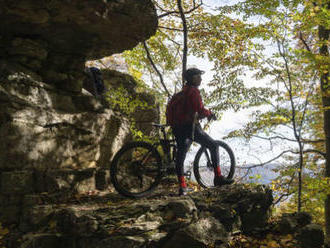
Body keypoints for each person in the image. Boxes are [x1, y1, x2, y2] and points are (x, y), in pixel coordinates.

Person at [171, 68, 234, 196]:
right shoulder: (193, 92)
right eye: (199, 76)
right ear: (193, 78)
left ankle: (182, 187)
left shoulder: (183, 91)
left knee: (181, 156)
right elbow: (199, 110)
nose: (201, 79)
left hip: (178, 127)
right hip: (190, 127)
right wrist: (210, 113)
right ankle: (218, 177)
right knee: (213, 145)